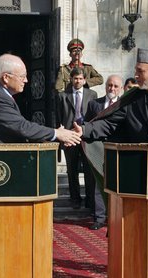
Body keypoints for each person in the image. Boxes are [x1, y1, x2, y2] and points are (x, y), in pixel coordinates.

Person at [0, 53, 81, 146]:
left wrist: (58, 135)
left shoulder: (0, 92)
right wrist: (56, 133)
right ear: (6, 77)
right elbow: (21, 127)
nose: (26, 80)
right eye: (22, 76)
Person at [84, 74, 124, 230]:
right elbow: (88, 123)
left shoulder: (123, 105)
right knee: (98, 183)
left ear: (121, 89)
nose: (111, 88)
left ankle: (115, 215)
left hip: (116, 148)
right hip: (98, 148)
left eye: (115, 86)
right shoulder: (94, 104)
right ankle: (99, 218)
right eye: (109, 85)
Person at [57, 67, 98, 210]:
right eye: (75, 78)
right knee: (72, 169)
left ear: (85, 80)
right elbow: (59, 115)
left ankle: (90, 200)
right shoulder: (63, 96)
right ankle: (75, 199)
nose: (78, 81)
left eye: (80, 78)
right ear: (71, 79)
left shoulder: (92, 94)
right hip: (69, 137)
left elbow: (94, 116)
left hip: (86, 138)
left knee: (89, 170)